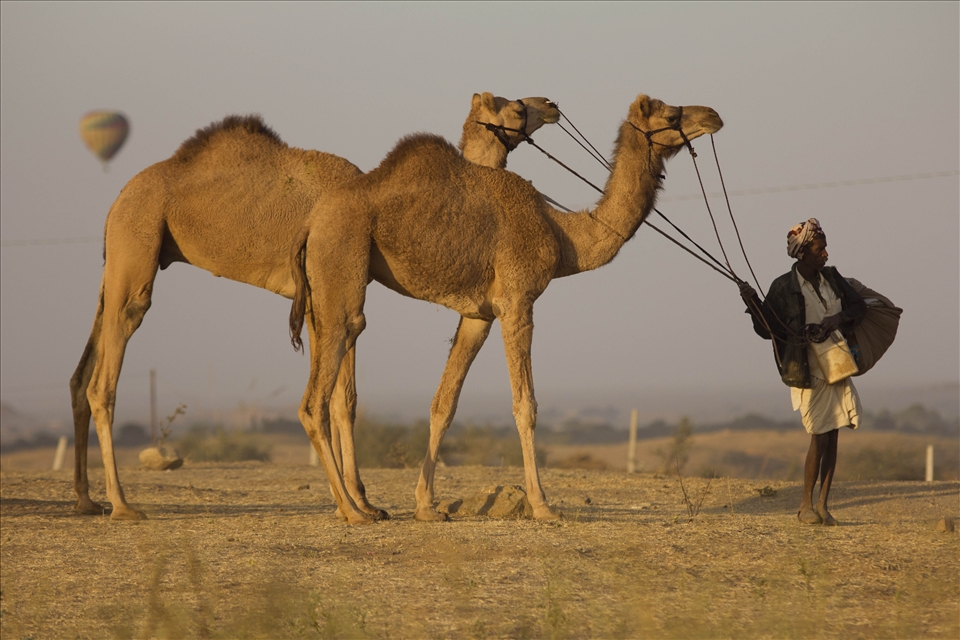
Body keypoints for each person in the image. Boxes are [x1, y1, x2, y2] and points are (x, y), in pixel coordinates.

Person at [739, 218, 866, 526]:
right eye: (819, 249)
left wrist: (836, 320)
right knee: (818, 435)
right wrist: (753, 302)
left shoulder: (832, 278)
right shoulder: (783, 287)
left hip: (836, 362)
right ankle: (805, 505)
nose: (825, 254)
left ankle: (823, 504)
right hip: (805, 367)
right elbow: (767, 329)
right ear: (803, 253)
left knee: (833, 433)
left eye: (824, 248)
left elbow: (858, 308)